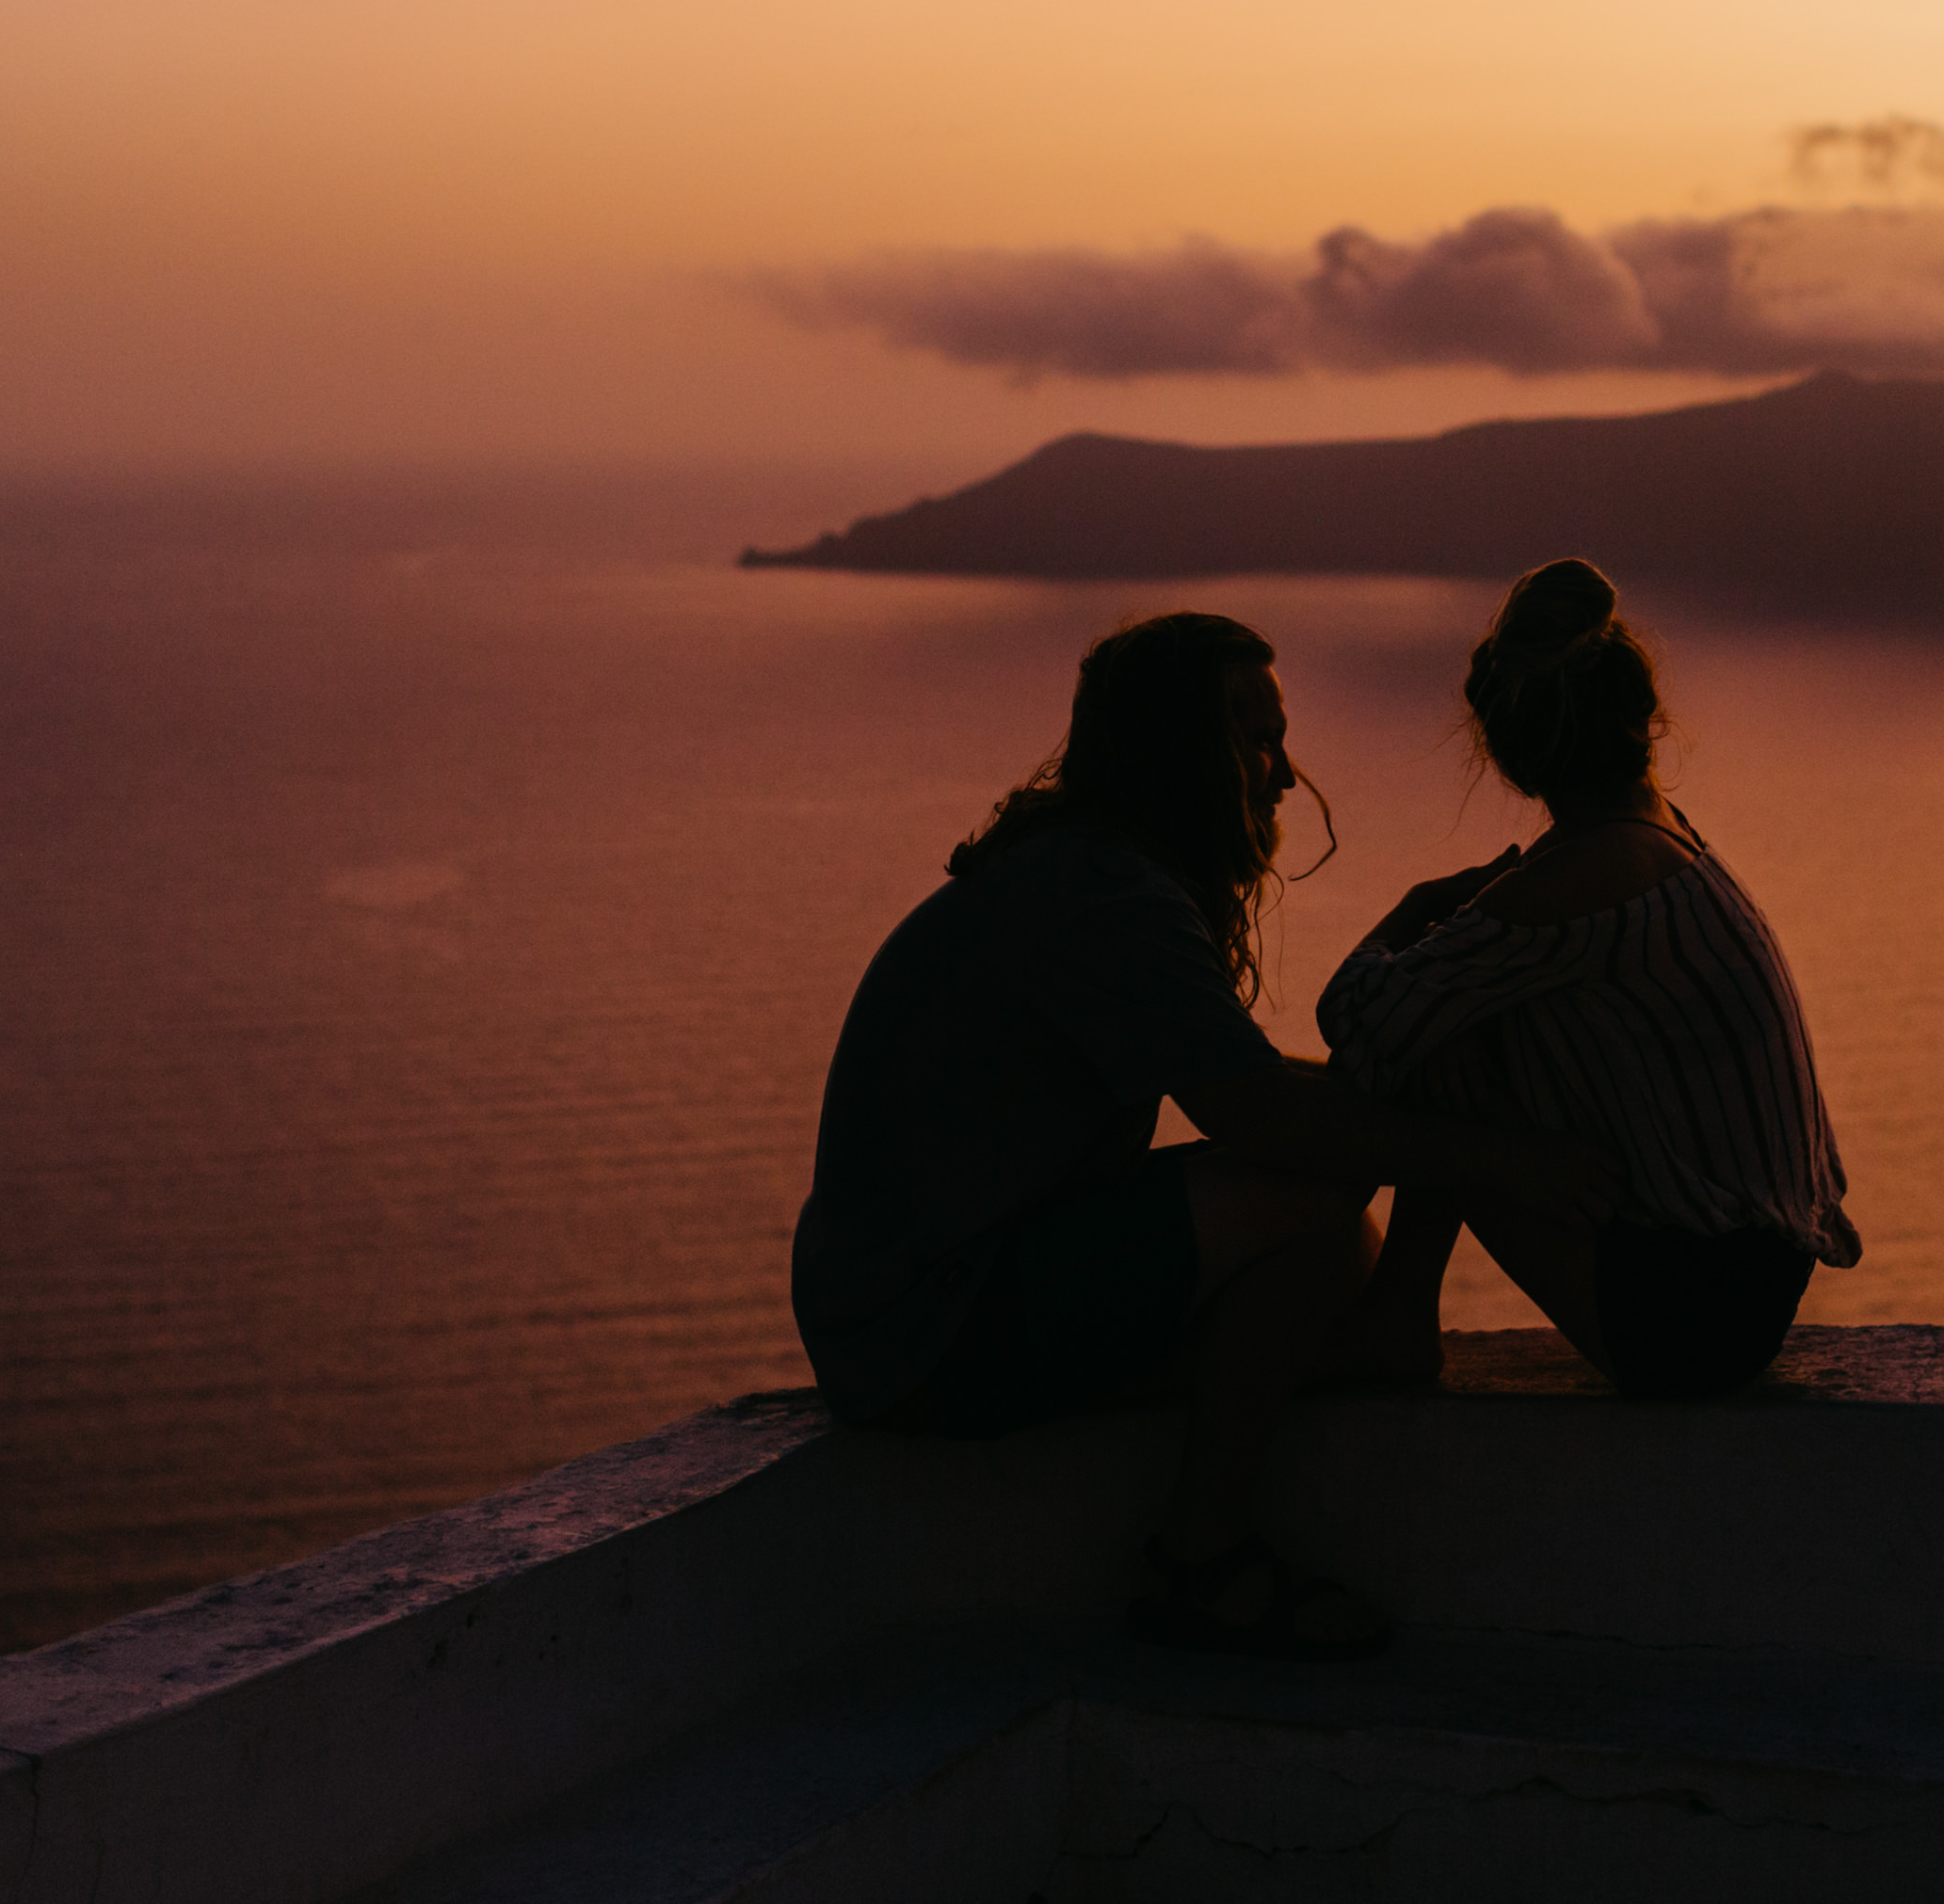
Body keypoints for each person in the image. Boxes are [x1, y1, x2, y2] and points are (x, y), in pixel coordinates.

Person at [791, 609, 1619, 1662]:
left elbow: (1262, 1096)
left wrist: (1404, 988)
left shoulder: (1083, 870)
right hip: (927, 1329)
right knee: (1318, 1200)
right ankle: (1202, 1559)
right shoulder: (1105, 895)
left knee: (1327, 1248)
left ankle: (1378, 1336)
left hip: (908, 1319)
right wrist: (1498, 1158)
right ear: (1178, 751)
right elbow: (1263, 1115)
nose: (1282, 776)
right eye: (1256, 738)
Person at [1321, 559, 1860, 1399]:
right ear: (1641, 718)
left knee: (1432, 1036)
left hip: (1687, 1323)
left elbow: (1355, 1019)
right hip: (1752, 1284)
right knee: (1451, 1016)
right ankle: (1395, 1312)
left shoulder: (1587, 873)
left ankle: (1393, 1314)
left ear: (1513, 757)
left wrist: (1413, 905)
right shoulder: (1663, 835)